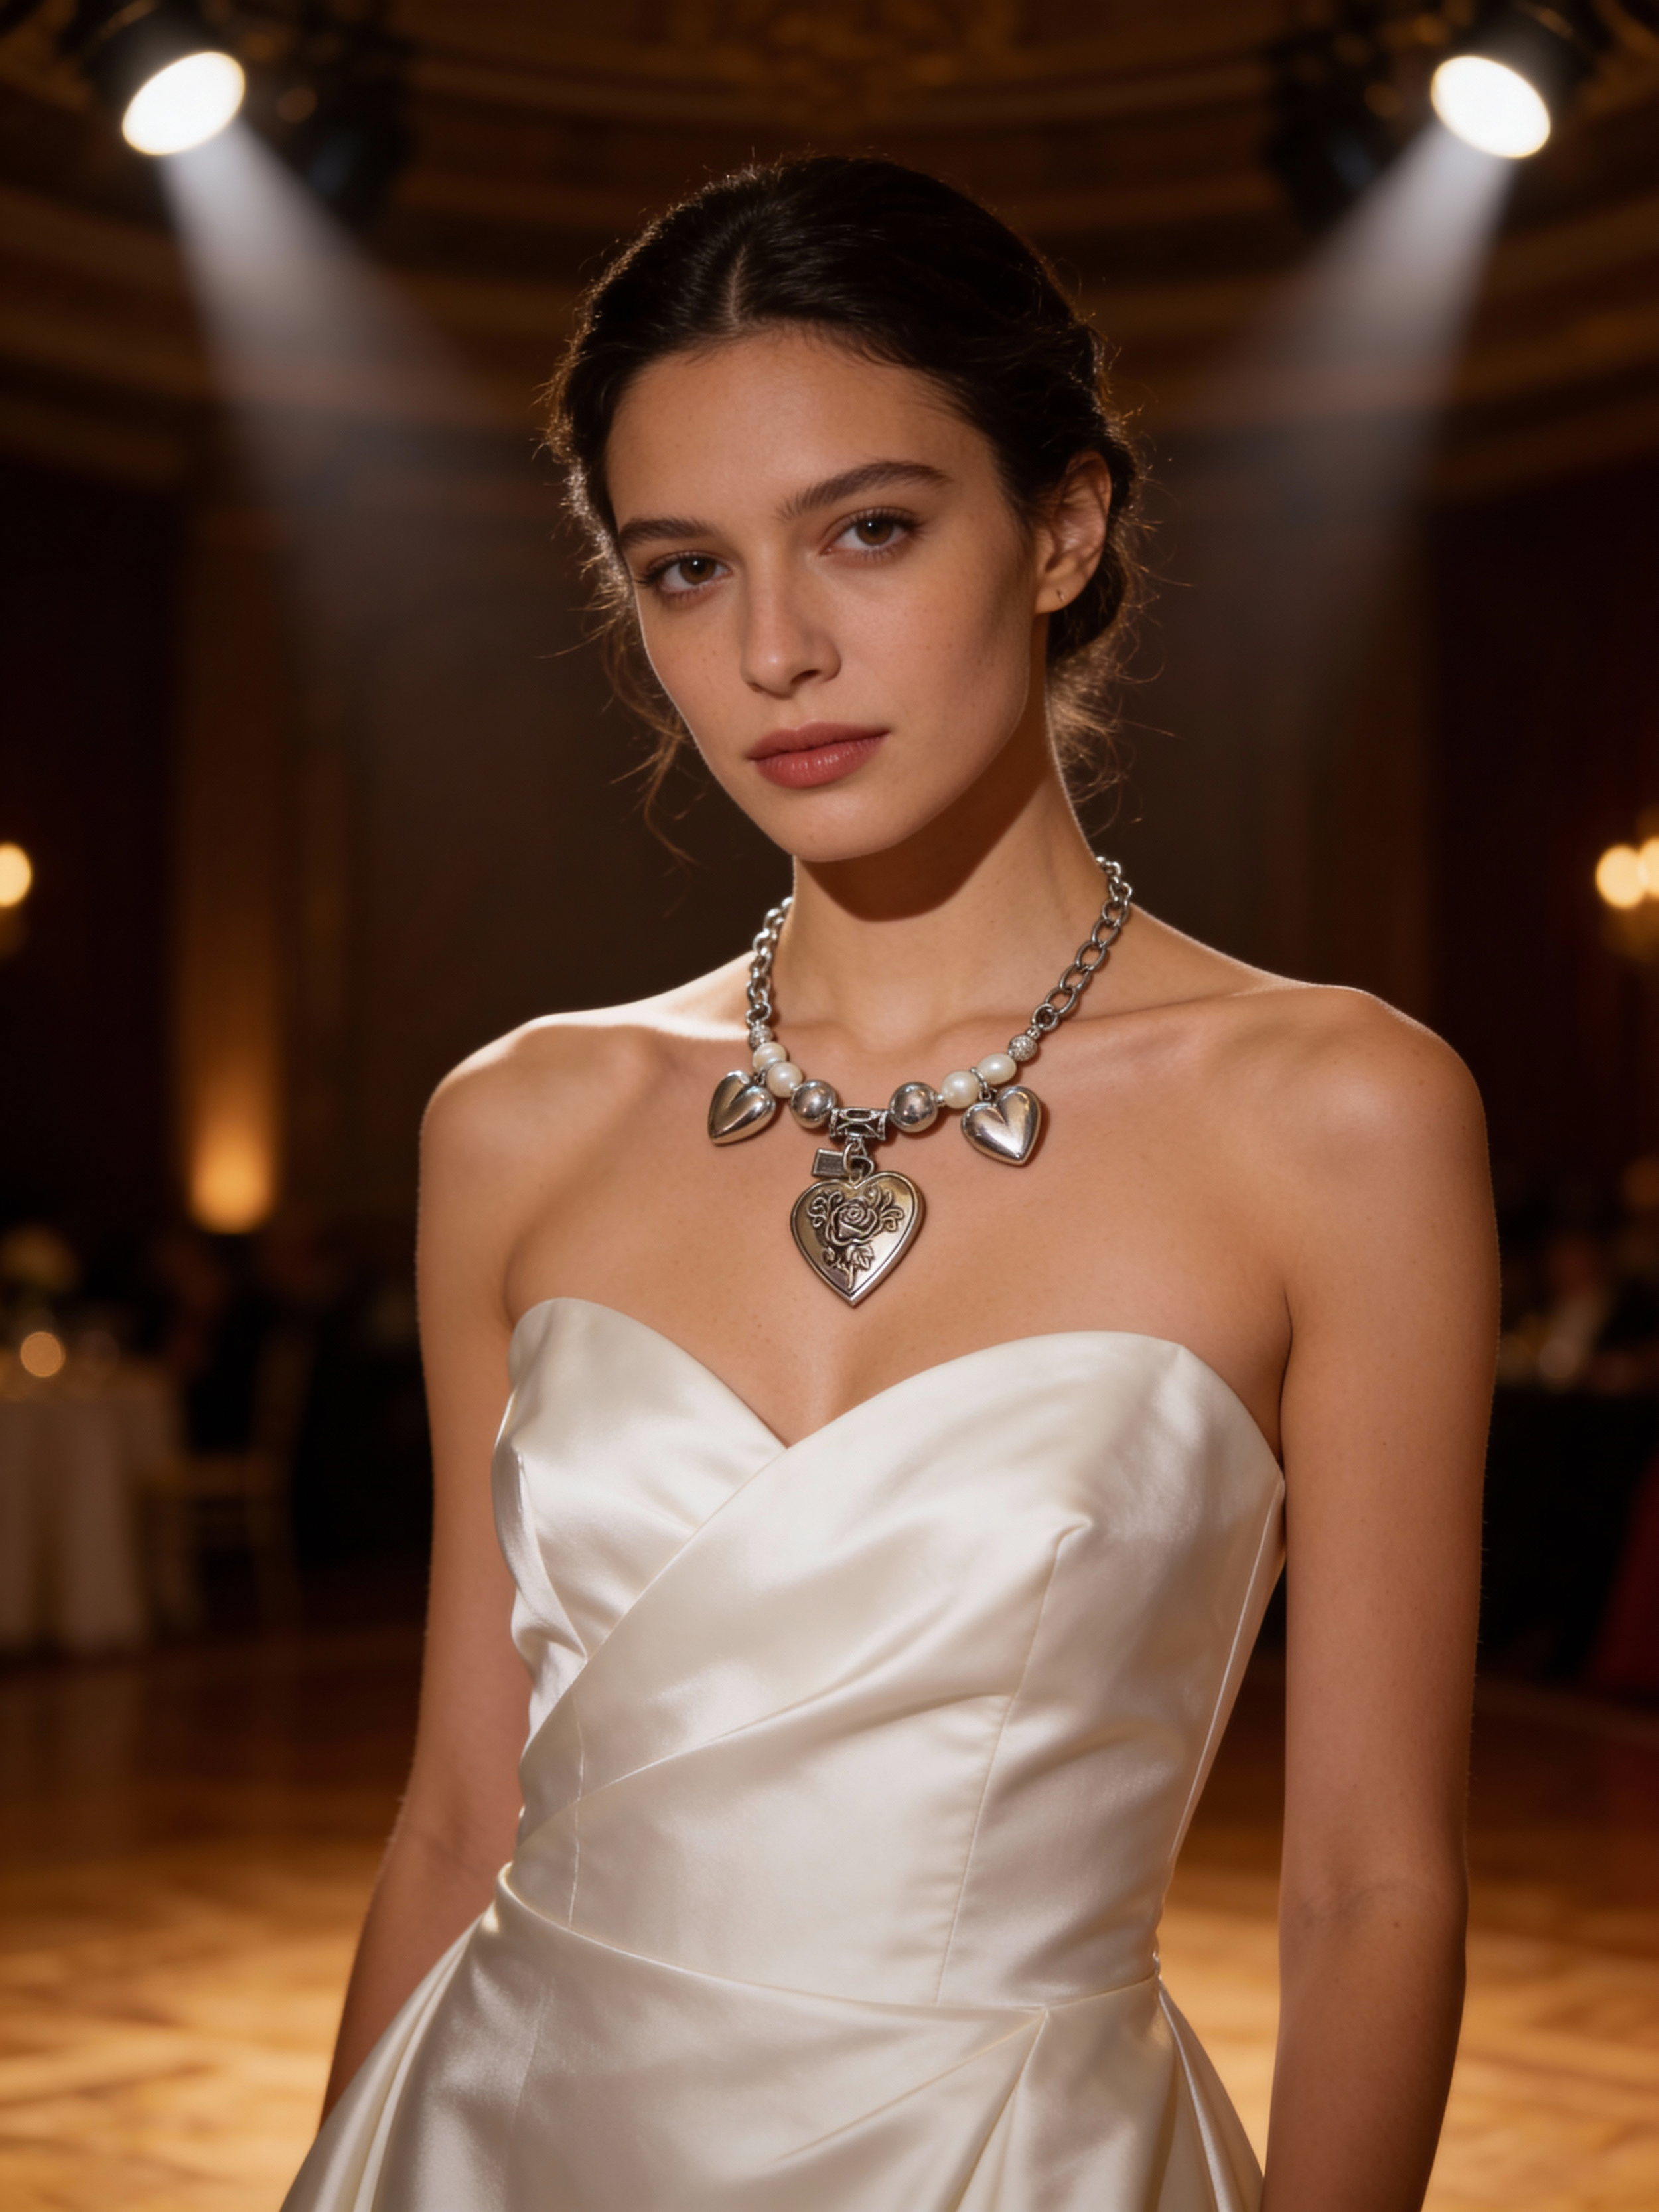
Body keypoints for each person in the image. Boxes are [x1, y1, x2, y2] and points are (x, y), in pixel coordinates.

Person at [282, 156, 1497, 2212]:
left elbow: (1372, 1881)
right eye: (682, 567)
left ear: (1062, 525)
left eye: (865, 528)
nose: (774, 648)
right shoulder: (518, 1119)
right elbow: (454, 1814)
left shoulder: (1337, 1112)